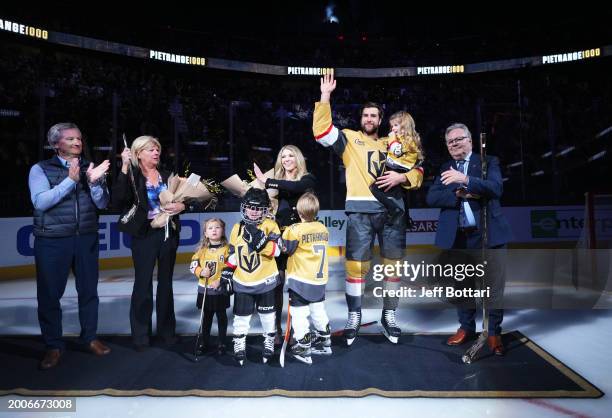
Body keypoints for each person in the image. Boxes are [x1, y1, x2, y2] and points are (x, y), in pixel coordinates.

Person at [312, 72, 424, 346]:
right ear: (360, 120)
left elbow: (419, 170)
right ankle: (354, 315)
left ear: (380, 119)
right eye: (366, 116)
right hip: (360, 213)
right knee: (355, 266)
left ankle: (389, 315)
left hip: (392, 214)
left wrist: (402, 178)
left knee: (393, 268)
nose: (369, 120)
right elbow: (321, 132)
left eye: (374, 116)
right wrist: (325, 96)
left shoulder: (394, 144)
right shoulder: (349, 139)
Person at [29, 122, 111, 369]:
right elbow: (41, 202)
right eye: (71, 139)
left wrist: (95, 183)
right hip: (52, 240)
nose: (78, 143)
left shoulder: (90, 168)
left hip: (85, 237)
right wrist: (70, 181)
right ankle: (53, 345)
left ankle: (90, 337)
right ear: (55, 144)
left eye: (79, 138)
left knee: (89, 291)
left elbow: (102, 204)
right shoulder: (40, 169)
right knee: (50, 295)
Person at [426, 123, 512, 355]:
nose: (454, 144)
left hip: (487, 237)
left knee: (492, 289)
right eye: (450, 142)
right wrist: (456, 194)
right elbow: (432, 197)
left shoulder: (487, 162)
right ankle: (466, 328)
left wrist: (464, 179)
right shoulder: (445, 167)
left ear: (470, 141)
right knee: (462, 287)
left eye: (458, 139)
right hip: (458, 239)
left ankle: (493, 332)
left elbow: (495, 188)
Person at [110, 136, 185, 351]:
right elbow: (117, 201)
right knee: (143, 284)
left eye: (158, 149)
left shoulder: (167, 174)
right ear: (138, 153)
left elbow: (183, 199)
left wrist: (181, 206)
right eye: (151, 149)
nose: (156, 153)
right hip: (144, 235)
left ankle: (167, 332)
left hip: (168, 234)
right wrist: (124, 166)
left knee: (166, 284)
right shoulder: (132, 174)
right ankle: (141, 336)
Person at [253, 144, 316, 344]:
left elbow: (295, 188)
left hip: (300, 240)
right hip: (279, 237)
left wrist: (268, 181)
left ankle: (300, 331)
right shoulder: (276, 184)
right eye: (283, 156)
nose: (286, 159)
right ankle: (277, 331)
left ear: (298, 158)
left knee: (299, 288)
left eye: (290, 155)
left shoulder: (307, 179)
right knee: (277, 286)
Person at [220, 188, 281, 366]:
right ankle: (239, 343)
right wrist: (227, 271)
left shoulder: (271, 225)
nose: (253, 212)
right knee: (241, 315)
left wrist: (260, 241)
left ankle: (269, 340)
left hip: (266, 280)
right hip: (243, 281)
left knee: (268, 314)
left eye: (258, 208)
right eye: (250, 208)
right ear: (244, 208)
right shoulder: (237, 228)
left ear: (265, 210)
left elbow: (277, 251)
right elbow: (233, 254)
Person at [282, 192, 331, 364]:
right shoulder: (323, 228)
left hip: (301, 279)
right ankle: (325, 338)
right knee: (318, 309)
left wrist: (278, 236)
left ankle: (303, 345)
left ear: (298, 211)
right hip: (319, 279)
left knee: (299, 313)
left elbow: (285, 249)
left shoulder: (294, 229)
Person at [369, 111, 424, 225]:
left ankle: (396, 211)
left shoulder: (410, 140)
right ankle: (399, 214)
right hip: (394, 169)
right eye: (392, 126)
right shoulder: (396, 139)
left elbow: (396, 151)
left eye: (396, 125)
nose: (393, 129)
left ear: (405, 126)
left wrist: (392, 139)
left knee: (375, 188)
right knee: (395, 195)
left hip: (401, 170)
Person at [189, 218, 231, 355]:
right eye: (210, 228)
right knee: (206, 317)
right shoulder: (201, 251)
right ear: (205, 233)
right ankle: (205, 341)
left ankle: (222, 342)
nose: (214, 230)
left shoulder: (227, 250)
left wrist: (220, 280)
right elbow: (193, 266)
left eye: (217, 227)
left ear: (223, 230)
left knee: (221, 316)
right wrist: (200, 271)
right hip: (205, 289)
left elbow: (230, 267)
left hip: (219, 290)